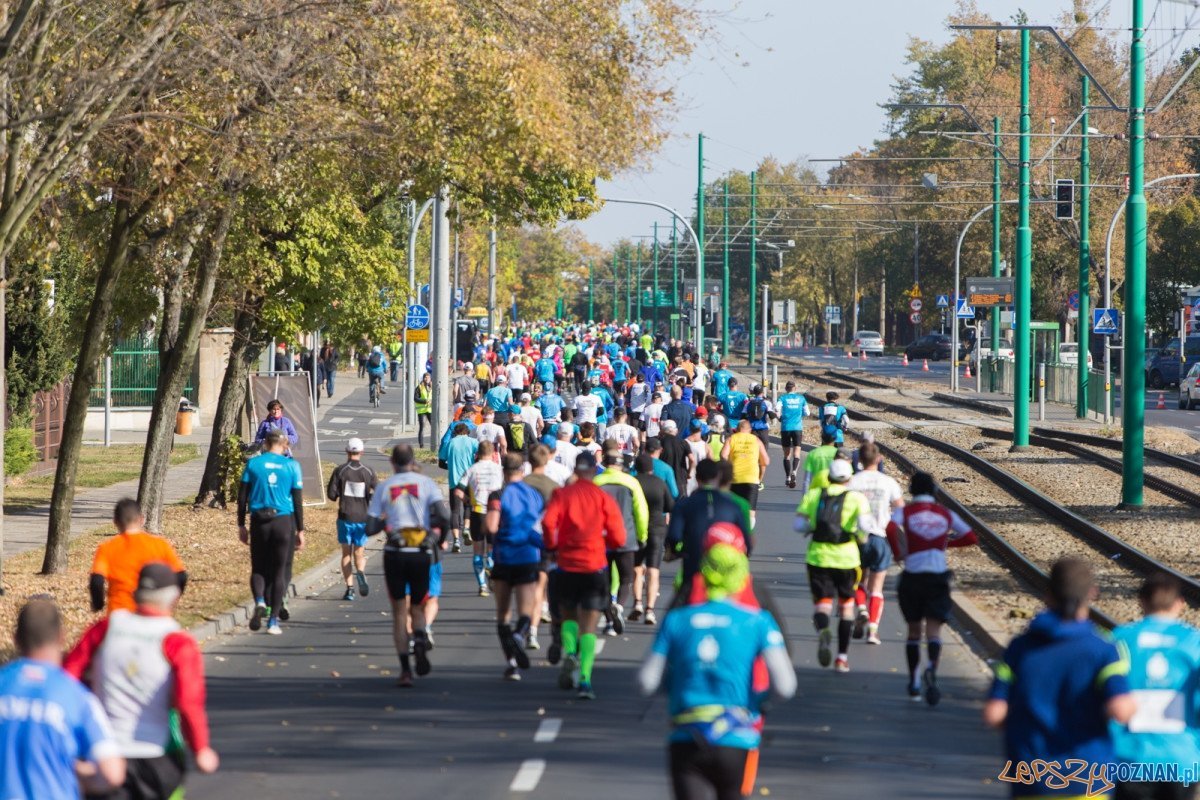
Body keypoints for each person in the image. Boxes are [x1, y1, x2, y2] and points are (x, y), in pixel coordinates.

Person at [639, 542, 796, 800]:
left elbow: (646, 682)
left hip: (688, 736)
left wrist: (675, 687)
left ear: (703, 573)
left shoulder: (677, 620)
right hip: (735, 736)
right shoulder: (757, 622)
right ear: (741, 577)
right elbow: (786, 686)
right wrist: (756, 702)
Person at [65, 563, 220, 799]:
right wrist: (200, 749)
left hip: (104, 755)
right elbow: (188, 701)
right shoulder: (177, 642)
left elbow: (67, 677)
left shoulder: (106, 628)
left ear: (136, 593)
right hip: (157, 758)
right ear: (174, 597)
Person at [985, 557, 1136, 798]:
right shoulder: (1104, 649)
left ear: (1048, 595)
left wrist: (1022, 728)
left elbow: (994, 714)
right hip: (1088, 775)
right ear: (1092, 594)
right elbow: (1120, 709)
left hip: (1031, 775)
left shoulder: (1019, 648)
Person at [0, 599, 125, 799]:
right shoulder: (76, 696)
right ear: (61, 638)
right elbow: (112, 773)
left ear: (16, 639)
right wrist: (75, 771)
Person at [542, 450, 627, 700]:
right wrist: (608, 542)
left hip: (567, 564)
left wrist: (553, 547)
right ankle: (585, 680)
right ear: (593, 469)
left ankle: (569, 652)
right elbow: (619, 537)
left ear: (575, 471)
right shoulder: (602, 497)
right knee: (589, 626)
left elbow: (548, 524)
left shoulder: (561, 494)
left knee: (568, 613)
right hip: (594, 565)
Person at [884, 471, 975, 703]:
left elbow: (891, 529)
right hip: (937, 578)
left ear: (912, 490)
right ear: (934, 491)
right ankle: (932, 670)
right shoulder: (944, 513)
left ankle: (914, 680)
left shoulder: (906, 511)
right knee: (934, 631)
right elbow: (971, 537)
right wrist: (945, 544)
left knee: (914, 631)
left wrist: (899, 553)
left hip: (913, 576)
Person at [367, 445, 451, 687]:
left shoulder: (384, 487)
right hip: (421, 552)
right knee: (418, 604)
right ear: (413, 460)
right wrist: (439, 538)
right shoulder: (426, 484)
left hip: (395, 552)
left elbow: (370, 528)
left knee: (399, 612)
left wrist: (387, 522)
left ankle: (405, 670)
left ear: (392, 462)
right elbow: (443, 517)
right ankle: (421, 635)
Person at [1110, 574, 1200, 800]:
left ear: (1141, 601)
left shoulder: (1119, 639)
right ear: (1179, 603)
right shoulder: (1194, 642)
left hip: (1130, 758)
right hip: (1181, 760)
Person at [793, 458, 875, 673]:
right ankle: (842, 658)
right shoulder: (857, 498)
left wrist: (811, 527)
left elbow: (799, 525)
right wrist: (862, 536)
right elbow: (866, 526)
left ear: (828, 476)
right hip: (847, 559)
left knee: (823, 604)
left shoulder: (814, 495)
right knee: (847, 607)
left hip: (818, 557)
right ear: (848, 478)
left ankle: (822, 631)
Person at [238, 429, 305, 635]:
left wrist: (241, 524)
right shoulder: (292, 466)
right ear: (285, 444)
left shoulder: (253, 464)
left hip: (259, 520)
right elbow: (297, 500)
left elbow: (242, 498)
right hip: (283, 521)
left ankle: (259, 600)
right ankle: (273, 621)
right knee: (278, 572)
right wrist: (300, 530)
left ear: (266, 443)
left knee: (258, 567)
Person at [486, 453, 546, 681]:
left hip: (503, 556)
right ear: (523, 470)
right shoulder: (534, 494)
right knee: (526, 610)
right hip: (528, 556)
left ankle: (511, 664)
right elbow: (542, 525)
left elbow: (491, 526)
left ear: (503, 471)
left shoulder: (497, 495)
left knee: (502, 614)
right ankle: (520, 636)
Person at [666, 458, 751, 595]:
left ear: (697, 477)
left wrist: (680, 551)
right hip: (726, 572)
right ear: (717, 476)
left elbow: (674, 536)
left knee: (677, 612)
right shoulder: (733, 505)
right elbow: (746, 542)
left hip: (694, 568)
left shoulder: (684, 504)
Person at [847, 441, 903, 645]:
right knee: (877, 588)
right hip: (880, 538)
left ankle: (861, 609)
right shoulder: (888, 482)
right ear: (878, 459)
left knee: (857, 581)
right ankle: (872, 631)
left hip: (857, 539)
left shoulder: (853, 482)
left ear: (859, 461)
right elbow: (900, 510)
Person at [89, 498, 186, 615]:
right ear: (142, 519)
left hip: (119, 612)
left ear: (115, 522)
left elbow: (97, 581)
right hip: (152, 611)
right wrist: (172, 600)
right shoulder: (160, 545)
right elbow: (181, 576)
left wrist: (98, 604)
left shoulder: (106, 548)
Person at [593, 440, 649, 637]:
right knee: (626, 577)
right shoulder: (631, 482)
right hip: (626, 537)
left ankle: (609, 619)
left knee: (603, 582)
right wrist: (643, 536)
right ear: (620, 465)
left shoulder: (596, 482)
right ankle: (619, 606)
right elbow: (641, 512)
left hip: (600, 540)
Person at [326, 437, 378, 601]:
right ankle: (360, 572)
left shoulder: (340, 470)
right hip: (363, 517)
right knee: (359, 552)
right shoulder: (368, 471)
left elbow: (331, 495)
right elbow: (379, 492)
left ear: (346, 451)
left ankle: (349, 588)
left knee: (346, 553)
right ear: (362, 452)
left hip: (345, 516)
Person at [631, 452, 674, 626]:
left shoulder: (633, 483)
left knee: (637, 568)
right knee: (653, 570)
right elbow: (670, 505)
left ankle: (638, 603)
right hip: (657, 527)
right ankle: (650, 610)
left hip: (636, 529)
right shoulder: (659, 483)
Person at [458, 441, 505, 597]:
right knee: (492, 548)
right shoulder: (499, 470)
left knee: (478, 550)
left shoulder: (472, 469)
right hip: (494, 512)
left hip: (477, 511)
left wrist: (468, 501)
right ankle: (491, 567)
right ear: (493, 453)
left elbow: (458, 492)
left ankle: (482, 585)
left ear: (477, 453)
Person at [722, 419, 769, 522]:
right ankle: (747, 533)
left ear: (737, 429)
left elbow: (723, 455)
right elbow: (765, 461)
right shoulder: (756, 440)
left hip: (734, 479)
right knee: (750, 514)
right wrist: (760, 478)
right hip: (751, 480)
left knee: (733, 510)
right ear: (750, 430)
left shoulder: (731, 439)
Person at [445, 423, 480, 553]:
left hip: (454, 480)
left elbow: (442, 458)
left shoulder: (451, 442)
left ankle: (456, 541)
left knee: (454, 510)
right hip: (469, 479)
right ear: (467, 432)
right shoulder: (473, 441)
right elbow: (481, 453)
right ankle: (466, 528)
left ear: (456, 432)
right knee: (468, 506)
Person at [777, 381, 809, 489]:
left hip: (786, 428)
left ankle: (787, 477)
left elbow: (777, 409)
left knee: (786, 455)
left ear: (786, 389)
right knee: (797, 453)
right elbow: (807, 413)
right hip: (797, 428)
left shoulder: (782, 398)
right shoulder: (801, 398)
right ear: (795, 388)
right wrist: (800, 415)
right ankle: (794, 472)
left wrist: (780, 417)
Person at [658, 420, 693, 501]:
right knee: (682, 506)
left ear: (663, 431)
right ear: (676, 430)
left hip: (665, 480)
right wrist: (689, 472)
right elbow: (692, 459)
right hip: (680, 479)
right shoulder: (683, 442)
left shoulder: (659, 442)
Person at [741, 384, 774, 451]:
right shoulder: (766, 403)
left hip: (752, 429)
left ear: (754, 392)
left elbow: (743, 416)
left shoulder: (748, 403)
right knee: (764, 449)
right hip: (763, 428)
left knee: (752, 450)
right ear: (762, 392)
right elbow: (772, 415)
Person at [414, 372, 433, 449]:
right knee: (422, 427)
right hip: (421, 410)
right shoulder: (419, 387)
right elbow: (415, 398)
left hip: (430, 409)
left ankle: (435, 443)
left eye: (428, 377)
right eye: (425, 377)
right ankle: (421, 445)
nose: (427, 379)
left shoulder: (432, 386)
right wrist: (425, 401)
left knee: (434, 426)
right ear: (423, 378)